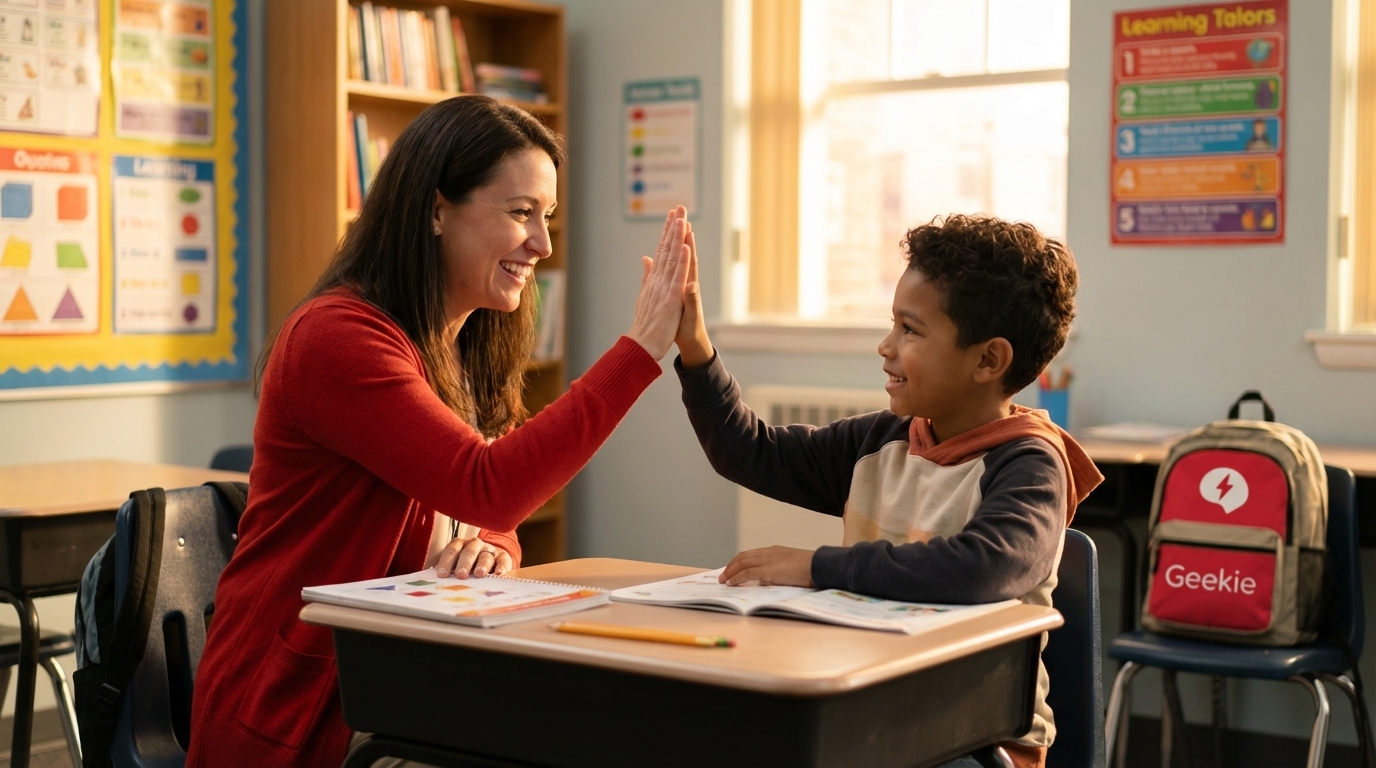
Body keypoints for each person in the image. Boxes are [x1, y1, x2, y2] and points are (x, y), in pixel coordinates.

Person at [187, 97, 693, 766]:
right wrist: (639, 350)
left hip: (400, 681)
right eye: (520, 213)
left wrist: (494, 549)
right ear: (434, 209)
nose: (542, 244)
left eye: (548, 218)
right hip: (297, 711)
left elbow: (491, 512)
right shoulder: (339, 338)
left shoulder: (463, 342)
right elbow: (489, 485)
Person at [672, 214, 1104, 768]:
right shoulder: (882, 441)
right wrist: (695, 348)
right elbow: (750, 450)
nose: (886, 346)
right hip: (873, 716)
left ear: (988, 359)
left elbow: (984, 568)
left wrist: (819, 567)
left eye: (910, 329)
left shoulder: (1029, 464)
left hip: (978, 741)